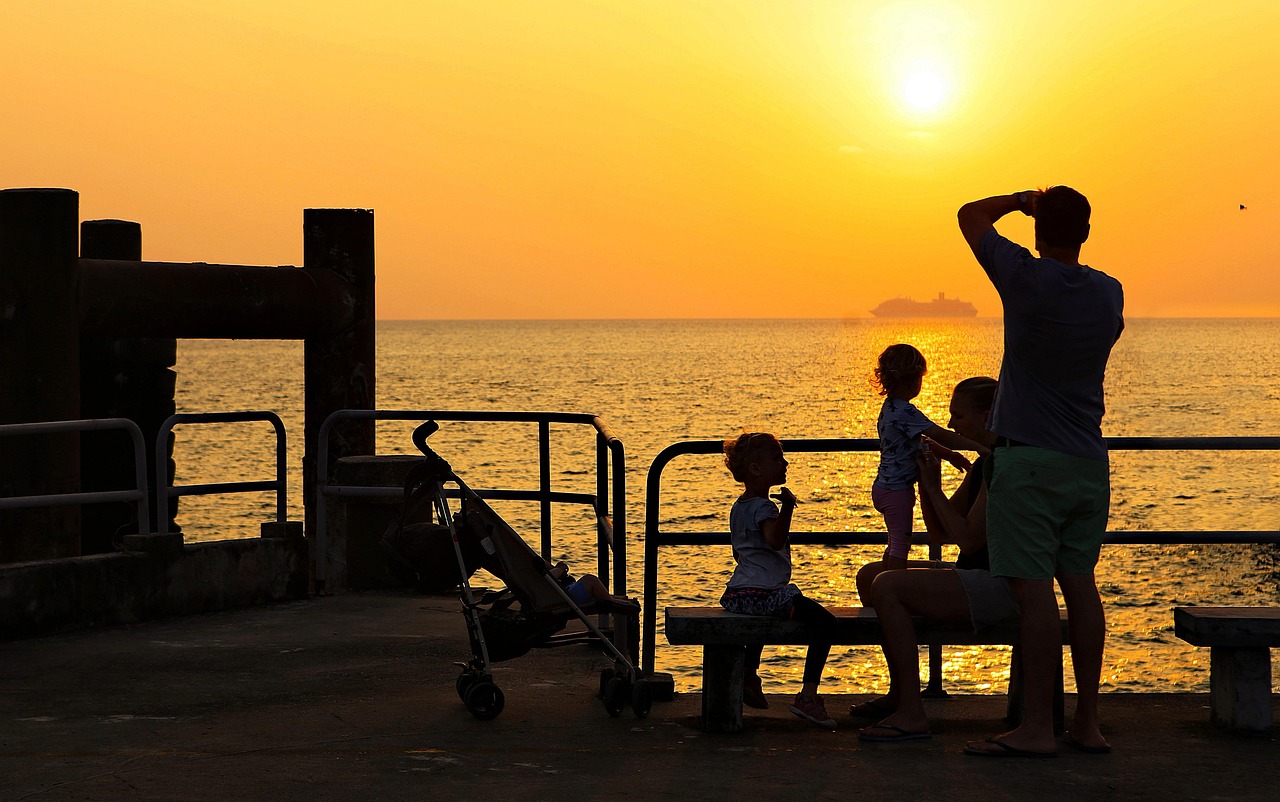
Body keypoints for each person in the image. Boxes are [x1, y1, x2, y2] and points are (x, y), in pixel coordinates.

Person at [957, 186, 1124, 757]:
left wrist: (1019, 198)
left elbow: (969, 215)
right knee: (1080, 586)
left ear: (1037, 230)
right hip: (1087, 462)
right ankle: (1088, 723)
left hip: (1029, 461)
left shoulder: (1024, 277)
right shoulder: (1108, 292)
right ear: (1086, 232)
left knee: (1033, 596)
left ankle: (1034, 729)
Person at [853, 377, 1021, 742]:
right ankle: (900, 693)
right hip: (973, 573)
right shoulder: (983, 463)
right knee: (870, 575)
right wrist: (928, 484)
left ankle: (912, 712)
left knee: (888, 585)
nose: (950, 424)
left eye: (958, 416)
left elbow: (968, 538)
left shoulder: (1002, 463)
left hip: (1000, 585)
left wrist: (930, 488)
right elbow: (941, 533)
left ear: (987, 415)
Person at [721, 431, 839, 730]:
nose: (785, 463)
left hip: (739, 592)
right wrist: (787, 506)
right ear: (755, 469)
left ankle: (749, 674)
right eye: (777, 458)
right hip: (765, 592)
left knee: (763, 617)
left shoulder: (739, 506)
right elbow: (774, 540)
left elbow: (739, 552)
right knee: (827, 624)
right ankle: (808, 695)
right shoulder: (765, 507)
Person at [868, 344, 989, 581]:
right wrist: (977, 446)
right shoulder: (906, 412)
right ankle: (893, 583)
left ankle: (887, 581)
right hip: (898, 492)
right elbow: (938, 434)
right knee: (901, 544)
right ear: (912, 382)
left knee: (893, 542)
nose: (952, 423)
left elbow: (920, 441)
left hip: (884, 488)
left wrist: (950, 455)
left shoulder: (889, 409)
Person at [547, 561, 640, 614]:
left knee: (591, 584)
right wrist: (560, 569)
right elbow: (544, 578)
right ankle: (612, 602)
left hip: (563, 591)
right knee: (590, 581)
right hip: (563, 598)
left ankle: (611, 598)